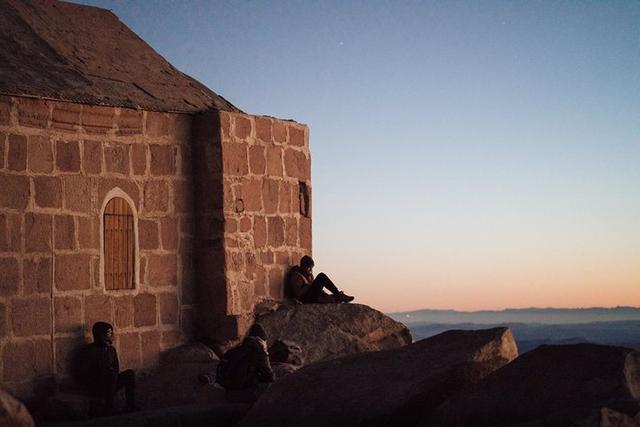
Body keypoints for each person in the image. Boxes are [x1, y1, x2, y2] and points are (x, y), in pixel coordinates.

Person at [81, 322, 136, 415]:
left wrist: (112, 374)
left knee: (129, 374)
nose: (111, 335)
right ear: (101, 334)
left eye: (111, 333)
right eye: (109, 333)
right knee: (110, 375)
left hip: (111, 382)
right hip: (97, 385)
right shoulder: (90, 350)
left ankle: (130, 405)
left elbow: (116, 368)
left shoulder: (111, 350)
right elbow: (86, 372)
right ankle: (108, 408)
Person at [215, 323, 275, 403]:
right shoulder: (258, 353)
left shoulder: (233, 351)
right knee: (271, 388)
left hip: (228, 392)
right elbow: (271, 377)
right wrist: (265, 353)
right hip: (243, 394)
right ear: (260, 340)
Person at [287, 255, 354, 304]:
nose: (310, 270)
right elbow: (298, 294)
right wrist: (309, 286)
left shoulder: (308, 275)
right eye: (309, 268)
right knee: (321, 276)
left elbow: (314, 288)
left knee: (331, 297)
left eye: (311, 268)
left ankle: (338, 295)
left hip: (313, 296)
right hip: (306, 299)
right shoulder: (296, 276)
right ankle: (338, 295)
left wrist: (324, 295)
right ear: (303, 266)